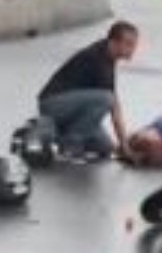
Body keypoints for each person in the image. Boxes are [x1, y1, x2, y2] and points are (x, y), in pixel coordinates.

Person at [36, 20, 138, 158]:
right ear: (113, 42)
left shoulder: (108, 57)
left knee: (106, 147)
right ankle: (70, 143)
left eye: (134, 44)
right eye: (129, 44)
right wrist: (125, 148)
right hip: (53, 103)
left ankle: (53, 133)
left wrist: (122, 147)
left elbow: (110, 105)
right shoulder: (97, 57)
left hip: (72, 108)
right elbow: (113, 104)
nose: (133, 49)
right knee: (106, 99)